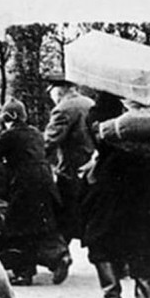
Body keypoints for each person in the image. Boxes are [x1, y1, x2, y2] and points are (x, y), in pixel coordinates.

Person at [81, 91, 150, 298]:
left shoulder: (111, 93)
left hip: (115, 176)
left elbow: (97, 131)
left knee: (99, 233)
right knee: (145, 237)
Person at [0, 98, 70, 286]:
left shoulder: (10, 135)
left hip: (25, 184)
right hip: (46, 181)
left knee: (18, 228)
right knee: (44, 225)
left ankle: (24, 272)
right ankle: (60, 257)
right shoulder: (36, 133)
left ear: (11, 117)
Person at [43, 72, 95, 243]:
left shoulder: (63, 109)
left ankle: (63, 253)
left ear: (59, 90)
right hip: (93, 168)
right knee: (90, 217)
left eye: (50, 90)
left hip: (71, 172)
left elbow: (49, 142)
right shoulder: (89, 103)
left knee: (64, 220)